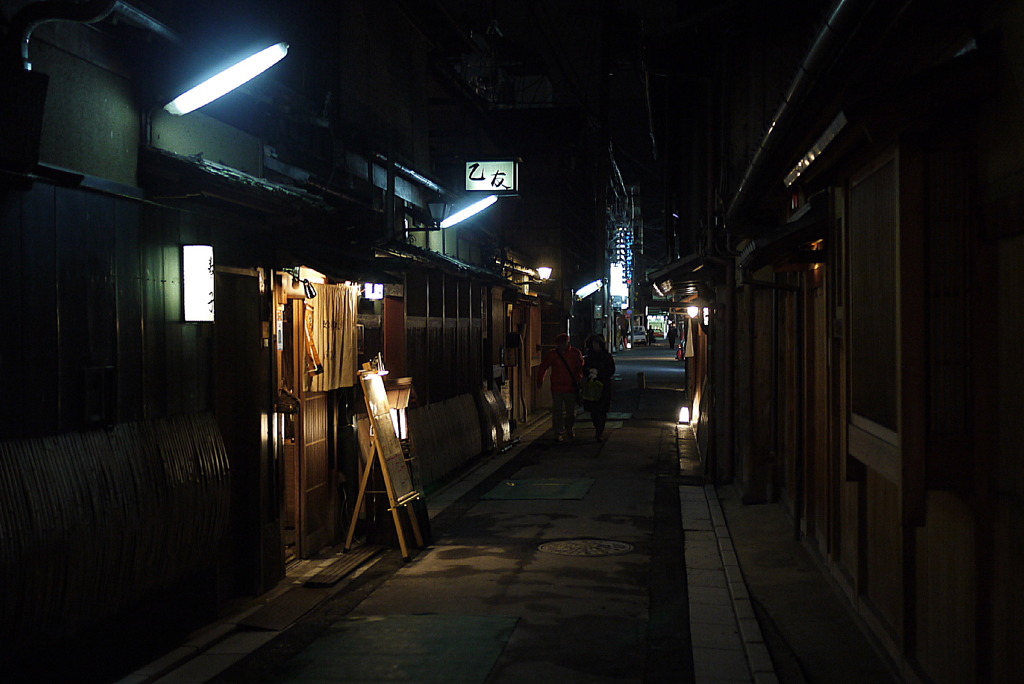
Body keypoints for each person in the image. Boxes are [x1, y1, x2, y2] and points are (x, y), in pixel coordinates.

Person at [536, 332, 584, 441]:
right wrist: (540, 379)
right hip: (558, 387)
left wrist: (578, 380)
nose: (561, 345)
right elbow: (544, 367)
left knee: (569, 412)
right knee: (559, 411)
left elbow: (580, 368)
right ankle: (559, 432)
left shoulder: (574, 353)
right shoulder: (554, 354)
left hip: (568, 387)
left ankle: (568, 429)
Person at [582, 333, 616, 442]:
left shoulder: (606, 356)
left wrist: (599, 373)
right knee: (593, 411)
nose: (595, 346)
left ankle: (599, 432)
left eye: (597, 344)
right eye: (593, 344)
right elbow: (584, 369)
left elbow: (611, 370)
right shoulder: (589, 356)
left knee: (601, 410)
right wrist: (589, 372)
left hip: (603, 386)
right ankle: (598, 429)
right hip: (592, 386)